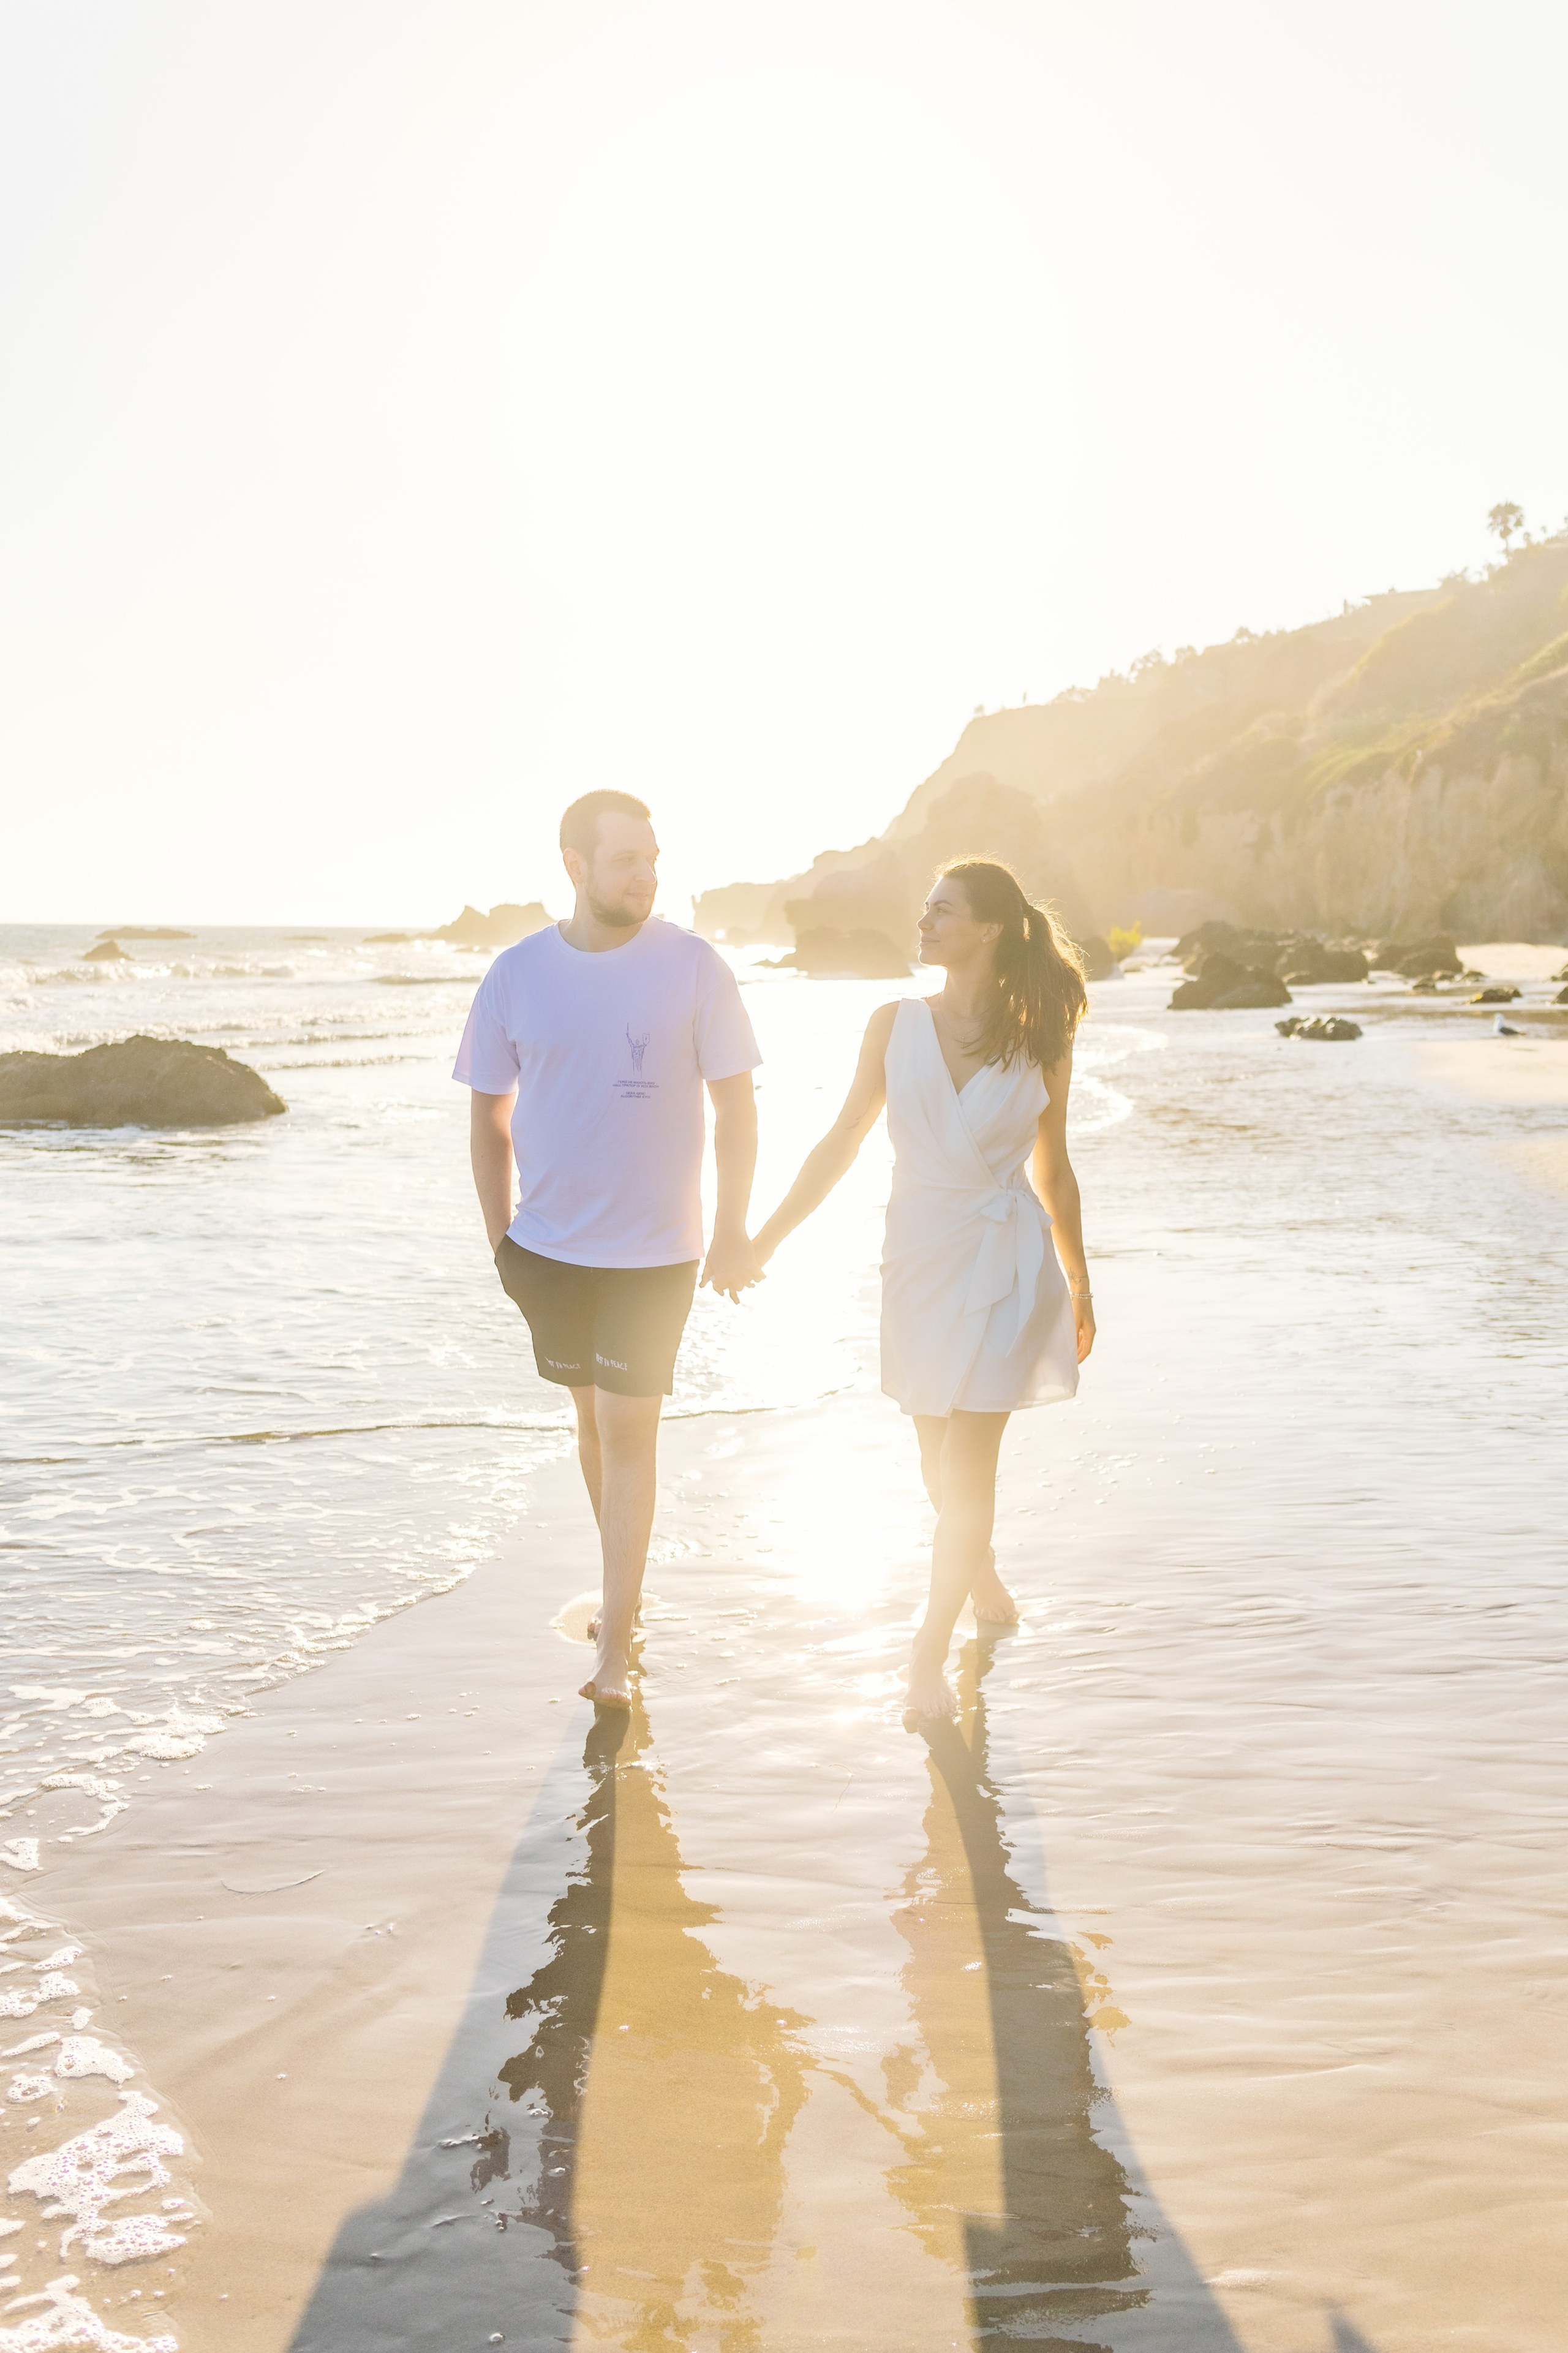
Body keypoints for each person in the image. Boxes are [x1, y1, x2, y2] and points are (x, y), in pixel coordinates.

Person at [751, 859, 1095, 1720]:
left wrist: (1081, 1277)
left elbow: (1053, 1165)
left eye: (942, 910)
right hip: (918, 1259)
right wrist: (763, 1239)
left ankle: (924, 1658)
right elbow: (840, 1143)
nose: (925, 919)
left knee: (969, 1466)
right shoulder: (892, 1023)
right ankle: (978, 1568)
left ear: (985, 929)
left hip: (1007, 1266)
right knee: (934, 1464)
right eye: (927, 907)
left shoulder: (1043, 1029)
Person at [454, 790, 762, 1710]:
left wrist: (735, 1226)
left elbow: (737, 1107)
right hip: (548, 1250)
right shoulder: (517, 974)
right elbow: (488, 1114)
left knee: (630, 1433)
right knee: (591, 1428)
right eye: (628, 858)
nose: (648, 874)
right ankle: (624, 1592)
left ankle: (618, 1646)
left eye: (654, 857)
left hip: (655, 1249)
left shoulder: (693, 967)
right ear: (575, 865)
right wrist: (499, 1239)